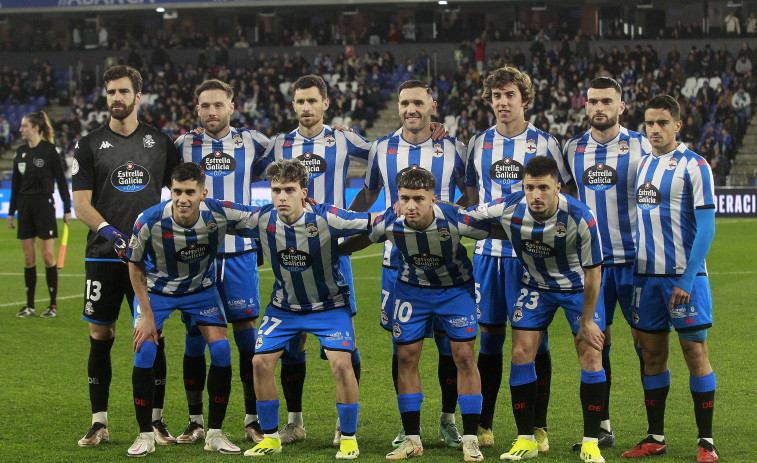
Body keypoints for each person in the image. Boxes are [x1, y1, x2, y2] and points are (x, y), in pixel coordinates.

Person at [349, 80, 469, 449]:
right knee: (402, 348)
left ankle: (448, 420)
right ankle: (409, 425)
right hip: (396, 266)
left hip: (447, 268)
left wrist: (452, 219)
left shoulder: (455, 148)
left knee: (450, 347)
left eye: (418, 102)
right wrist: (339, 231)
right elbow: (369, 193)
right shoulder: (382, 149)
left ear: (433, 105)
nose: (410, 109)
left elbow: (473, 194)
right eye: (404, 103)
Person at [341, 168, 491, 462]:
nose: (411, 206)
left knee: (464, 357)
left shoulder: (454, 217)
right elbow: (365, 238)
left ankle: (470, 438)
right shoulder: (391, 220)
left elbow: (494, 229)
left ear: (434, 199)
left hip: (455, 291)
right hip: (412, 292)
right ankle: (412, 439)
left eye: (419, 199)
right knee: (406, 358)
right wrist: (337, 252)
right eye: (405, 198)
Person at [253, 74, 371, 445]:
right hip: (290, 252)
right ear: (293, 106)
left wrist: (354, 216)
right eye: (299, 101)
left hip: (331, 250)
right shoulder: (278, 145)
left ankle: (344, 423)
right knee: (293, 343)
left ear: (325, 103)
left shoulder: (345, 138)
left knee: (343, 345)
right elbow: (244, 170)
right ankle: (294, 421)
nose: (306, 107)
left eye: (312, 101)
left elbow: (386, 156)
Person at [468, 156, 608, 463]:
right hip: (535, 288)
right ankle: (526, 439)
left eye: (543, 188)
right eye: (530, 187)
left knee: (591, 354)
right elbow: (467, 216)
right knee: (520, 353)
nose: (536, 195)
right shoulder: (509, 206)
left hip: (576, 289)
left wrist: (587, 321)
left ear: (557, 187)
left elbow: (594, 273)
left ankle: (590, 442)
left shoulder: (581, 216)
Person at [72, 65, 178, 447]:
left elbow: (180, 191)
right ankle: (99, 421)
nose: (116, 98)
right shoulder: (88, 144)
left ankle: (156, 420)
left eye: (122, 92)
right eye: (110, 92)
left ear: (138, 96)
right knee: (101, 334)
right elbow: (80, 204)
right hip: (103, 255)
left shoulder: (161, 142)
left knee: (153, 334)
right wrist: (110, 232)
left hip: (148, 260)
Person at [464, 65, 568, 450]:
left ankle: (538, 426)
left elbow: (564, 199)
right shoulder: (477, 143)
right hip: (488, 257)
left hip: (532, 259)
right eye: (496, 96)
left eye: (510, 95)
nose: (503, 102)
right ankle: (486, 424)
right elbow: (472, 199)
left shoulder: (547, 143)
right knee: (488, 341)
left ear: (525, 99)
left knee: (534, 342)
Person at [241, 159, 369, 460]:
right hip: (284, 306)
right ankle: (271, 438)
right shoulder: (261, 219)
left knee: (341, 363)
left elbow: (371, 223)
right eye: (275, 190)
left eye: (289, 190)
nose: (281, 197)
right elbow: (220, 216)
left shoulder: (326, 218)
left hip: (329, 306)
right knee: (259, 363)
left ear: (303, 192)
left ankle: (348, 437)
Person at [126, 162, 247, 457]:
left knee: (220, 351)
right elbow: (134, 263)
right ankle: (145, 435)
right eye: (177, 191)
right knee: (145, 350)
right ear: (170, 190)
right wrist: (146, 315)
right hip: (157, 292)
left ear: (202, 193)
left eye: (190, 192)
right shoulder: (149, 220)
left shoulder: (218, 213)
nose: (183, 199)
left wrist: (297, 205)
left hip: (201, 292)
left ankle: (215, 433)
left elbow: (259, 216)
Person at [622, 95, 719, 463]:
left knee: (695, 352)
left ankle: (706, 441)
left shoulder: (695, 166)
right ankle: (655, 436)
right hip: (646, 279)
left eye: (662, 123)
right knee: (652, 356)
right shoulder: (643, 163)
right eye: (649, 123)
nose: (655, 129)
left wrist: (687, 277)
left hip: (685, 279)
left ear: (677, 125)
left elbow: (707, 228)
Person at [175, 78, 270, 444]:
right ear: (196, 109)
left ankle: (252, 418)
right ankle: (196, 420)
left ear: (232, 106)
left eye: (218, 105)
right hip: (197, 257)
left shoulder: (254, 141)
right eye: (205, 106)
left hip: (240, 255)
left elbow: (295, 144)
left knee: (247, 338)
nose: (211, 112)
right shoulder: (183, 144)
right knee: (195, 337)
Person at [562, 76, 653, 451]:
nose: (599, 107)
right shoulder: (572, 148)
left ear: (621, 106)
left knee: (646, 346)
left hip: (635, 262)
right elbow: (565, 195)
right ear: (585, 105)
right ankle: (602, 426)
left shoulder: (641, 144)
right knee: (596, 343)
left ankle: (655, 429)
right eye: (593, 101)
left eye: (606, 101)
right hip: (593, 265)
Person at [8, 111, 70, 318]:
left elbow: (62, 182)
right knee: (28, 258)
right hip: (25, 206)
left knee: (48, 256)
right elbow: (15, 186)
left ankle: (52, 305)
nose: (20, 129)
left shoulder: (50, 151)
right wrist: (11, 213)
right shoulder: (20, 153)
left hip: (44, 205)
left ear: (35, 128)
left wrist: (68, 209)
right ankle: (30, 305)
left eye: (24, 126)